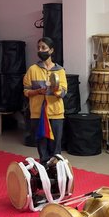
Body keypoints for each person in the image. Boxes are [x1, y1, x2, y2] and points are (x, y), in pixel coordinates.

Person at [23, 37, 68, 165]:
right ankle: (44, 168)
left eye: (43, 48)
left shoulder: (60, 71)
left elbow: (64, 92)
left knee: (56, 147)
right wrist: (37, 92)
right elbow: (26, 90)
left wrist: (55, 90)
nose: (40, 50)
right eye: (38, 48)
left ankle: (56, 170)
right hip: (38, 113)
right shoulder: (32, 69)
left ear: (51, 50)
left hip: (56, 113)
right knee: (41, 144)